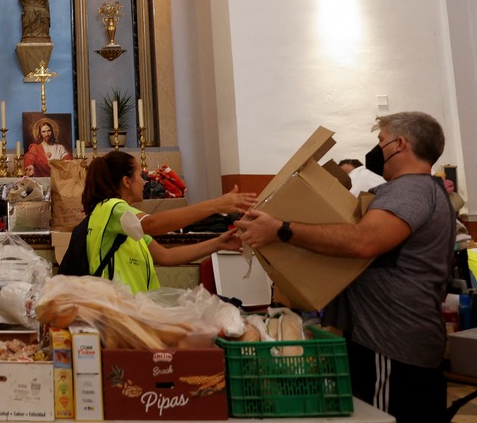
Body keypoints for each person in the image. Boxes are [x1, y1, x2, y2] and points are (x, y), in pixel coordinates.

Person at [235, 112, 455, 421]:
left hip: (390, 344)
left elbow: (364, 242)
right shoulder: (417, 190)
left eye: (381, 141)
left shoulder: (411, 190)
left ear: (400, 144)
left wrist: (282, 230)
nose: (376, 150)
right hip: (391, 341)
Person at [81, 150, 242, 293]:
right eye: (140, 176)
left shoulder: (126, 224)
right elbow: (152, 224)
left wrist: (218, 243)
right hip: (117, 311)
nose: (145, 182)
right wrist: (214, 205)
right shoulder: (112, 207)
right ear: (127, 181)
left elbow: (167, 256)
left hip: (136, 310)